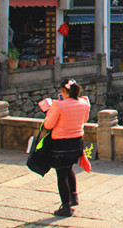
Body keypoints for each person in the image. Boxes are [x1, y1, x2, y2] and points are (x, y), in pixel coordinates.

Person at [44, 78, 90, 217]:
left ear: (63, 91)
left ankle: (66, 207)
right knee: (69, 168)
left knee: (61, 174)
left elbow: (48, 125)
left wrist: (49, 111)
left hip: (61, 145)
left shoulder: (58, 105)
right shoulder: (84, 103)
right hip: (77, 143)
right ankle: (73, 197)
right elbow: (84, 120)